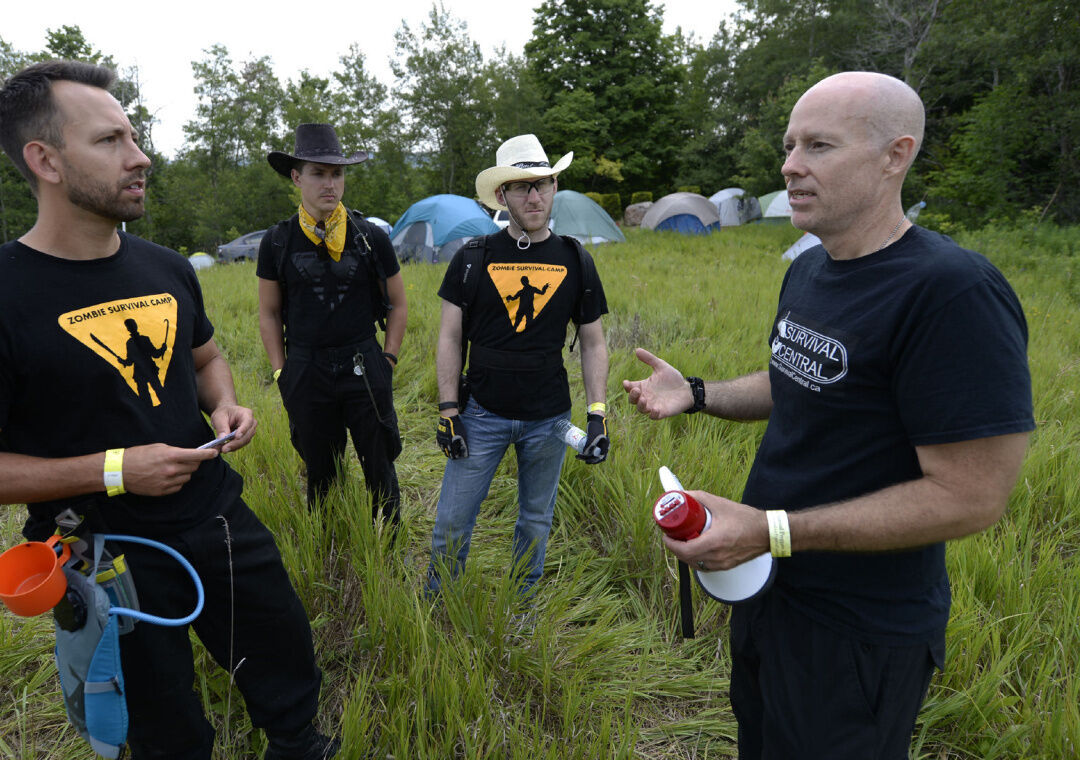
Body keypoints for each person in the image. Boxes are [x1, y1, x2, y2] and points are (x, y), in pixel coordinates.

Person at [0, 61, 338, 760]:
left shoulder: (164, 267)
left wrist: (226, 404)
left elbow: (202, 361)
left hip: (217, 515)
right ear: (44, 160)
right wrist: (114, 469)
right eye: (111, 141)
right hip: (106, 553)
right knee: (163, 726)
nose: (140, 158)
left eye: (134, 137)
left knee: (282, 651)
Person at [624, 72, 1034, 758]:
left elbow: (972, 497)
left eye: (818, 145)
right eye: (789, 145)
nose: (789, 165)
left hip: (860, 630)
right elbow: (799, 382)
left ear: (894, 155)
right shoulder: (812, 267)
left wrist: (772, 530)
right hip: (766, 591)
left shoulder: (951, 292)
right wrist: (697, 393)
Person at [426, 134, 611, 601]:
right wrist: (449, 411)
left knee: (535, 519)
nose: (534, 196)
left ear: (553, 189)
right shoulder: (472, 258)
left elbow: (592, 342)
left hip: (548, 418)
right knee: (452, 521)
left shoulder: (576, 259)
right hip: (480, 413)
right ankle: (439, 602)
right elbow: (449, 337)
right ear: (502, 196)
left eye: (543, 184)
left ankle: (523, 605)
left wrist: (597, 414)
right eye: (521, 186)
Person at [257, 123, 407, 525]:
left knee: (380, 464)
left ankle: (389, 549)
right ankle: (329, 543)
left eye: (336, 173)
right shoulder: (277, 241)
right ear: (296, 177)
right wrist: (280, 371)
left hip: (364, 360)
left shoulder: (370, 236)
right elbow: (269, 312)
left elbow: (397, 303)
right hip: (306, 367)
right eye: (318, 173)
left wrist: (387, 360)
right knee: (320, 471)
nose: (330, 184)